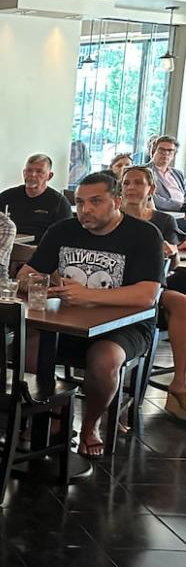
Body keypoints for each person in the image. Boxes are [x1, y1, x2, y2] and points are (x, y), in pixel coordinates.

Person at [19, 171, 165, 455]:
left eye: (96, 201)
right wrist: (45, 283)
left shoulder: (145, 235)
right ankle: (53, 414)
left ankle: (90, 423)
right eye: (81, 202)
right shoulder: (63, 231)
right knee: (30, 344)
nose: (86, 209)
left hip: (126, 326)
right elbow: (26, 275)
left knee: (104, 359)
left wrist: (89, 294)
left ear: (117, 201)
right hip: (69, 321)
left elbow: (148, 295)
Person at [121, 165, 186, 420]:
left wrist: (170, 250)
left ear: (151, 189)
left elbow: (174, 264)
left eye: (138, 183)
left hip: (152, 285)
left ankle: (180, 380)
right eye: (127, 183)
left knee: (180, 302)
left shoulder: (163, 220)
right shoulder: (113, 217)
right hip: (116, 284)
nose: (132, 188)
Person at [0, 154, 73, 244]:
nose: (32, 175)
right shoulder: (6, 197)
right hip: (5, 247)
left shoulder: (59, 203)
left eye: (39, 172)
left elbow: (65, 235)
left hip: (40, 250)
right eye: (29, 171)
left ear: (49, 176)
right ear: (24, 173)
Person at [150, 135, 186, 212]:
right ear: (153, 152)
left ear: (174, 155)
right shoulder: (145, 171)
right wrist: (180, 206)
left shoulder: (178, 173)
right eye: (161, 150)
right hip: (164, 213)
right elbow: (151, 198)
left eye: (170, 151)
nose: (166, 153)